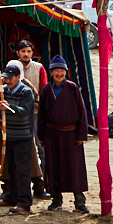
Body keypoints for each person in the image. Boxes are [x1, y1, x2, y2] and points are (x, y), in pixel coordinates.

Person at [37, 55, 89, 213]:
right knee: (54, 167)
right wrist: (41, 136)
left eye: (62, 70)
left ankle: (79, 201)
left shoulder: (72, 88)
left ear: (65, 72)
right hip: (53, 135)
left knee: (75, 167)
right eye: (56, 70)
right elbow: (41, 115)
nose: (59, 73)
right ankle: (56, 199)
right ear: (51, 72)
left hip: (72, 135)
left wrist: (81, 134)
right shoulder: (46, 90)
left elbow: (82, 111)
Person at [0, 63, 35, 214]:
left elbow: (24, 111)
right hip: (9, 136)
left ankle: (24, 203)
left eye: (10, 78)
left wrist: (8, 107)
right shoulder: (4, 90)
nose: (7, 81)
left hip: (23, 137)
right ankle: (11, 197)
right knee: (11, 169)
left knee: (22, 171)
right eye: (5, 78)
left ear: (18, 77)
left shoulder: (26, 92)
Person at [16, 39, 50, 199]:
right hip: (16, 116)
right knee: (17, 150)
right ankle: (13, 188)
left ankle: (41, 186)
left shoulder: (39, 68)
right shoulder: (12, 67)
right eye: (23, 51)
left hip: (35, 113)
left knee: (40, 149)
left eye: (29, 51)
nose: (26, 54)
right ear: (18, 53)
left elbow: (43, 91)